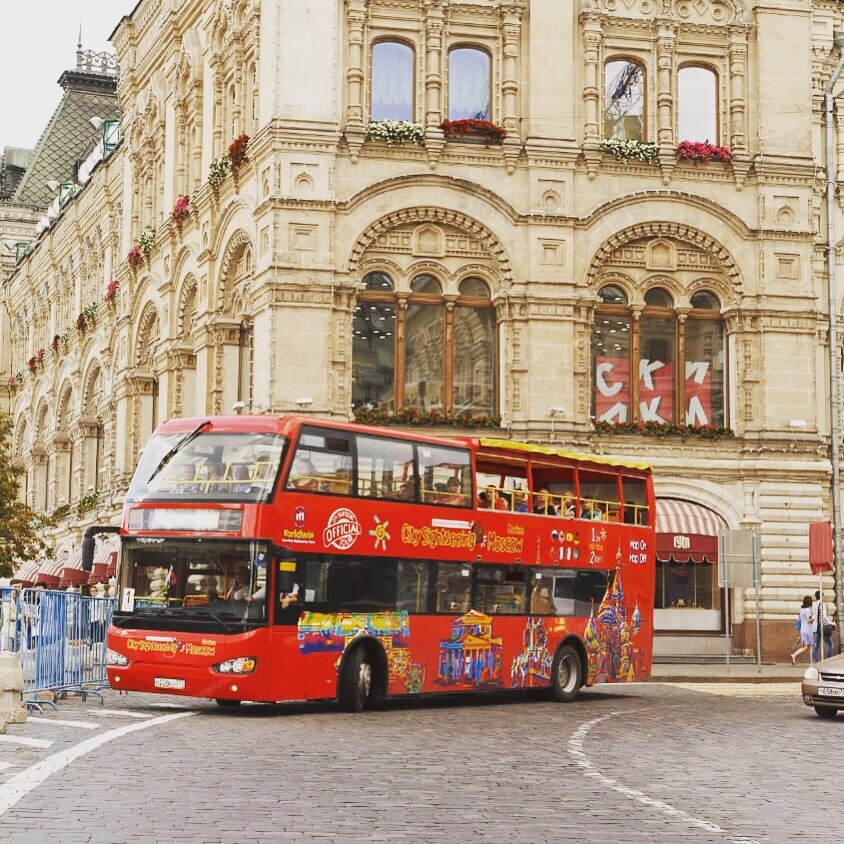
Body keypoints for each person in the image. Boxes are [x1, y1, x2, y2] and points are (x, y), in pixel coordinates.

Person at [790, 595, 814, 666]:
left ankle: (794, 655)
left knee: (806, 647)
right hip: (808, 629)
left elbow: (801, 619)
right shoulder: (808, 610)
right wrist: (814, 618)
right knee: (812, 646)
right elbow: (808, 621)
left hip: (802, 630)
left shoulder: (801, 610)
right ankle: (811, 663)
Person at [813, 589, 834, 662]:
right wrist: (831, 623)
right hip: (823, 628)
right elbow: (824, 617)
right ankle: (828, 661)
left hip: (815, 628)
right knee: (829, 644)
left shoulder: (814, 605)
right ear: (822, 597)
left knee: (815, 646)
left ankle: (815, 662)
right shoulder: (822, 604)